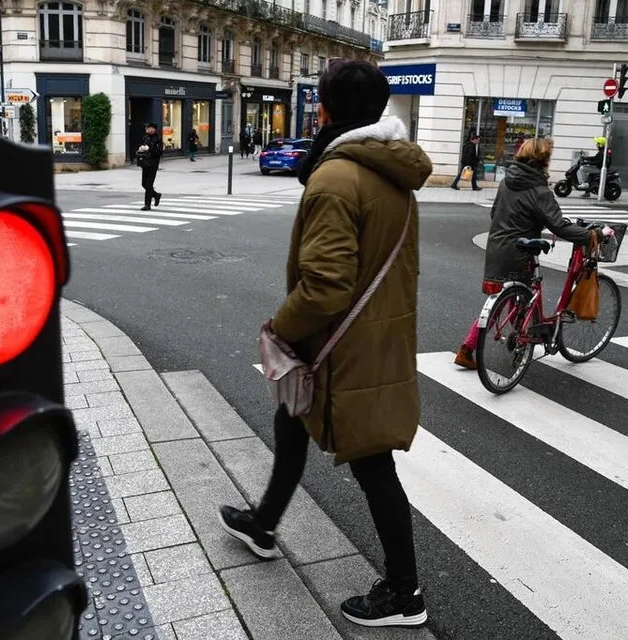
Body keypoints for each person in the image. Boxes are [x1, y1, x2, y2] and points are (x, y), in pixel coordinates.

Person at [218, 59, 433, 628]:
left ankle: (405, 595)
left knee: (371, 464)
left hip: (344, 348)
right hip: (370, 337)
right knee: (292, 418)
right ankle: (265, 525)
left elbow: (326, 284)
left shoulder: (337, 178)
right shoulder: (390, 172)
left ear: (326, 109)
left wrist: (278, 328)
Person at [454, 137, 604, 370]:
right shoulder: (539, 190)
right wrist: (592, 236)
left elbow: (495, 214)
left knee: (500, 300)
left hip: (497, 247)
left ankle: (467, 348)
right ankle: (523, 340)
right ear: (544, 161)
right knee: (519, 298)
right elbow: (559, 226)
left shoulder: (507, 182)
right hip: (520, 251)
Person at [137, 122, 163, 211]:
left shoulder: (158, 139)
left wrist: (149, 149)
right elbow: (142, 145)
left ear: (153, 129)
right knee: (144, 183)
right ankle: (156, 195)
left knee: (148, 185)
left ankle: (147, 205)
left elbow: (159, 152)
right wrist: (141, 148)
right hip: (145, 163)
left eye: (147, 127)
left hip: (153, 164)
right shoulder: (145, 137)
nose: (146, 129)